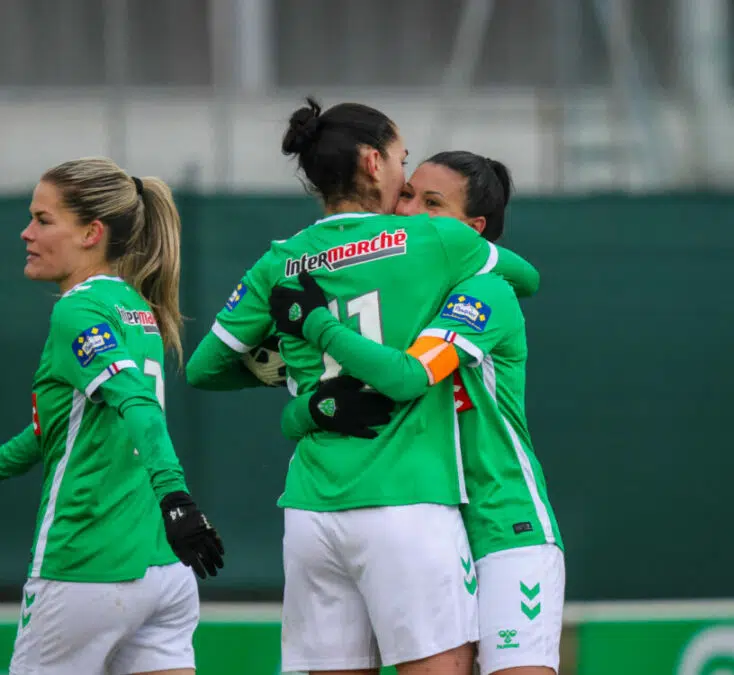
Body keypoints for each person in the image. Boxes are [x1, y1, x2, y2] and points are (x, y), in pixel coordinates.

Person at [184, 98, 541, 675]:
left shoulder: (281, 262)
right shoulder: (437, 243)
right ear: (374, 163)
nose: (407, 176)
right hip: (408, 501)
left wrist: (302, 391)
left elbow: (204, 368)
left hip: (310, 510)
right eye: (402, 158)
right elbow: (524, 276)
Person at [277, 151, 564, 675]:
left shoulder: (485, 292)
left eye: (432, 203)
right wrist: (301, 413)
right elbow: (313, 390)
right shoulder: (398, 297)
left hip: (501, 521)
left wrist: (316, 322)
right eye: (407, 194)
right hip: (428, 518)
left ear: (474, 230)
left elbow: (405, 378)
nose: (408, 211)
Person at [3, 157, 224, 675]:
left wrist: (177, 499)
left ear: (90, 233)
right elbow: (51, 436)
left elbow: (136, 404)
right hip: (163, 572)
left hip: (86, 564)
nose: (26, 232)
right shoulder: (136, 307)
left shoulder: (77, 310)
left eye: (43, 219)